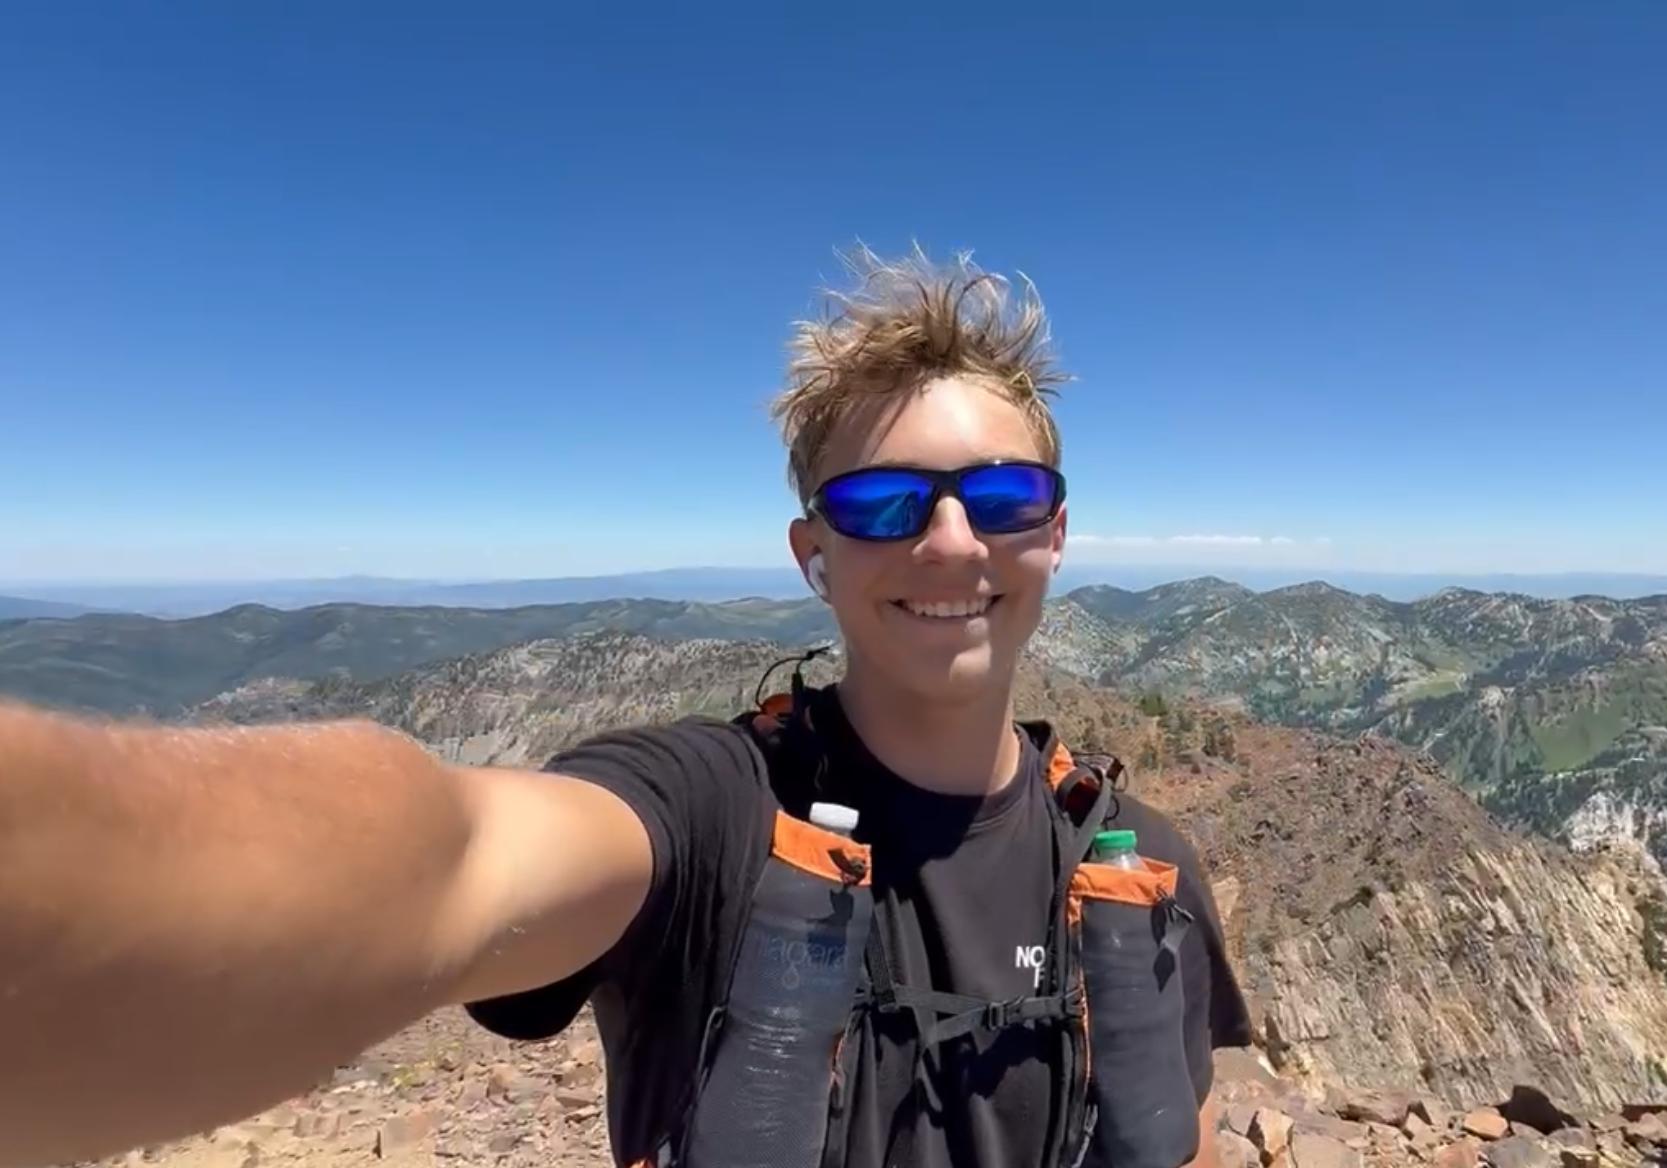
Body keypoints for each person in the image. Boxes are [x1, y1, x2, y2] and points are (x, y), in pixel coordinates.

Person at [0, 248, 1252, 1168]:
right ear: (813, 552)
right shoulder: (711, 816)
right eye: (881, 503)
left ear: (1056, 532)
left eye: (1001, 494)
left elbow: (1178, 1137)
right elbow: (448, 859)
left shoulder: (1136, 863)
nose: (945, 540)